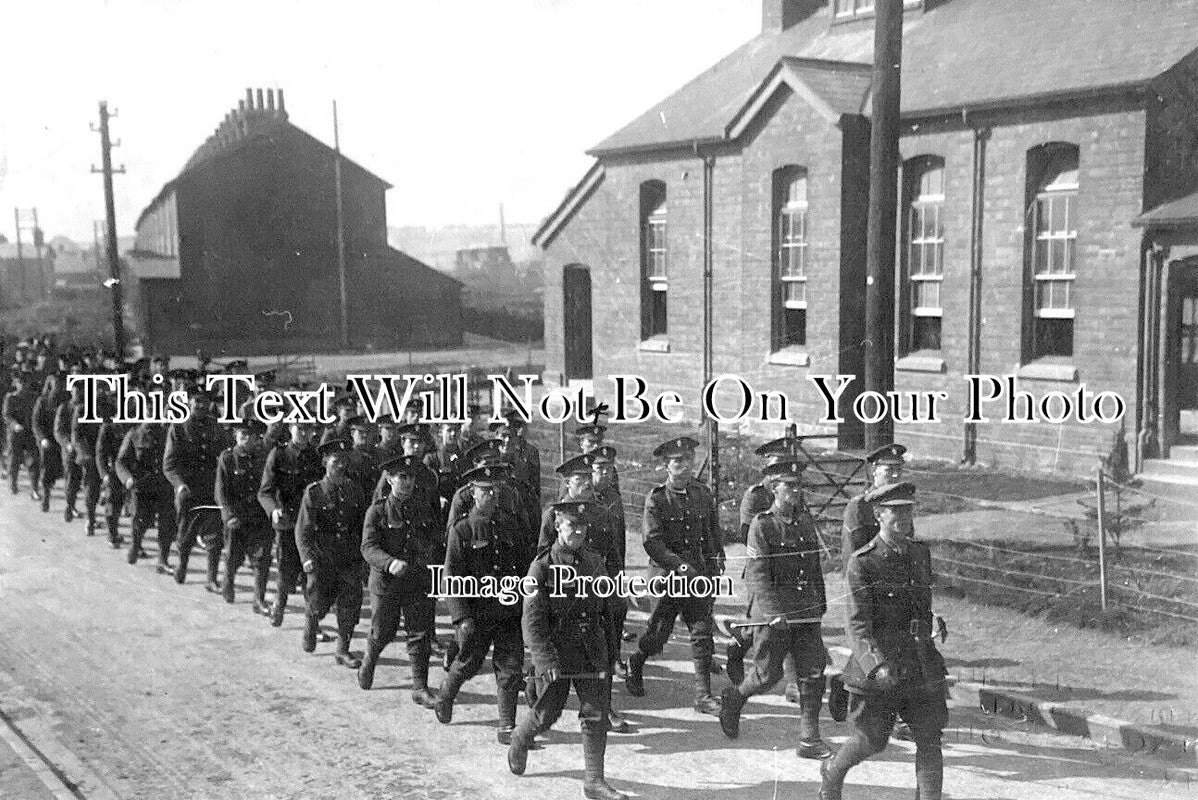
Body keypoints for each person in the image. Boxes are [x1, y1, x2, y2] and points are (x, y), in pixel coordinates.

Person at [820, 482, 948, 800]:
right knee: (873, 739)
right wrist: (876, 666)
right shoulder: (863, 563)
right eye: (895, 511)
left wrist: (933, 621)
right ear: (878, 515)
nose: (903, 518)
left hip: (919, 662)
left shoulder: (919, 553)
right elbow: (858, 625)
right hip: (883, 667)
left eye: (908, 510)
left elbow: (921, 605)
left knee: (929, 737)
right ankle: (833, 772)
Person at [507, 500, 628, 800]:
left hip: (591, 650)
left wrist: (612, 653)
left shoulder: (595, 561)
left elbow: (605, 611)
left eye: (583, 528)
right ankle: (520, 738)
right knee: (547, 713)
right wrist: (544, 658)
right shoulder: (542, 567)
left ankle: (594, 781)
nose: (578, 533)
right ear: (558, 526)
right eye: (572, 527)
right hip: (558, 654)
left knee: (595, 713)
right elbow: (532, 620)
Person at [718, 459, 832, 759]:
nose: (794, 491)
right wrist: (772, 613)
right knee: (767, 676)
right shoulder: (763, 524)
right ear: (773, 488)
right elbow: (757, 574)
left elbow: (814, 567)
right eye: (788, 485)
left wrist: (819, 602)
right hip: (775, 612)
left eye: (798, 485)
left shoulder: (806, 521)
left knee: (813, 673)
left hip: (805, 610)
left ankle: (809, 738)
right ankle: (735, 697)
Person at [625, 436, 726, 716]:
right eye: (677, 461)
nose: (684, 465)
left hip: (698, 575)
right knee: (659, 634)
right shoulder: (656, 498)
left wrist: (717, 557)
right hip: (667, 576)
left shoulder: (702, 494)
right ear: (666, 466)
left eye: (688, 459)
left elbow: (712, 531)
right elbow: (652, 542)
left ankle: (703, 695)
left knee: (702, 631)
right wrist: (680, 566)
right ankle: (637, 661)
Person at [432, 463, 529, 744]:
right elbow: (452, 577)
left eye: (495, 491)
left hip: (508, 610)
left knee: (510, 667)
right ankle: (446, 695)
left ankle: (507, 725)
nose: (492, 496)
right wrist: (461, 618)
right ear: (473, 493)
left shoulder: (511, 525)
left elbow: (523, 567)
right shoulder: (462, 530)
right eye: (485, 491)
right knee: (467, 663)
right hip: (477, 612)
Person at [357, 454, 441, 707]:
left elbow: (435, 539)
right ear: (390, 480)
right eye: (401, 477)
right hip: (387, 583)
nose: (407, 482)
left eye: (411, 477)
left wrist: (431, 561)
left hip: (417, 580)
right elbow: (368, 547)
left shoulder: (424, 507)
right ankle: (370, 659)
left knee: (420, 633)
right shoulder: (378, 510)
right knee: (383, 631)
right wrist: (389, 562)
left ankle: (420, 687)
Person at [728, 435, 807, 703]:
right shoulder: (755, 496)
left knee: (787, 625)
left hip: (787, 571)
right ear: (767, 464)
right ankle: (738, 645)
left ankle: (794, 683)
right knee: (761, 622)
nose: (781, 465)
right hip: (759, 567)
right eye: (776, 461)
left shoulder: (794, 491)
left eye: (785, 461)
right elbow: (745, 533)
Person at [295, 438, 368, 668]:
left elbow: (360, 526)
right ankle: (311, 625)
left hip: (348, 557)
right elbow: (303, 530)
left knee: (350, 605)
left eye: (344, 461)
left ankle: (342, 650)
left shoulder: (354, 490)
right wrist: (307, 558)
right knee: (318, 603)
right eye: (336, 460)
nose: (340, 465)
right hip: (321, 557)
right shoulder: (314, 493)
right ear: (326, 461)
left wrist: (363, 558)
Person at [258, 418, 325, 627]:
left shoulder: (317, 457)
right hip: (287, 523)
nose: (304, 434)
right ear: (290, 429)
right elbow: (265, 491)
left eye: (308, 429)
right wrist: (273, 510)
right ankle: (279, 605)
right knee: (286, 571)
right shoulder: (278, 455)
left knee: (311, 574)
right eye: (299, 429)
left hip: (310, 525)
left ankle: (311, 624)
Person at [164, 390, 228, 589]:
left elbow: (225, 455)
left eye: (204, 402)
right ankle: (182, 565)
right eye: (196, 402)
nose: (200, 406)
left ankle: (211, 578)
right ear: (189, 403)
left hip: (210, 489)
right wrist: (179, 484)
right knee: (186, 533)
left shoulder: (216, 428)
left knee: (215, 536)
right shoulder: (178, 428)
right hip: (188, 490)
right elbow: (169, 464)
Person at [215, 419, 272, 613]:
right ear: (236, 436)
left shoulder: (264, 458)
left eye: (252, 436)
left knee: (262, 560)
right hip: (236, 519)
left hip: (258, 518)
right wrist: (228, 516)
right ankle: (228, 583)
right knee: (233, 557)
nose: (247, 439)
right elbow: (221, 492)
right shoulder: (228, 458)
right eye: (243, 435)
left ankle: (259, 599)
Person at [116, 393, 176, 571]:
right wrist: (127, 478)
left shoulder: (169, 434)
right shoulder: (134, 434)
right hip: (143, 487)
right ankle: (135, 545)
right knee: (141, 521)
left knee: (167, 523)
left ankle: (162, 560)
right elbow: (121, 461)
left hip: (164, 486)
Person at [32, 373, 67, 512]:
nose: (58, 387)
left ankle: (70, 504)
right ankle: (46, 497)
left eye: (60, 385)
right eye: (55, 385)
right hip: (47, 440)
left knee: (67, 471)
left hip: (61, 439)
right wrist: (42, 439)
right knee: (47, 470)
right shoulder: (42, 401)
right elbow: (36, 422)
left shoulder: (65, 400)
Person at [4, 370, 39, 497]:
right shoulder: (11, 398)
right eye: (20, 383)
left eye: (25, 383)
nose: (23, 385)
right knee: (14, 460)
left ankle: (34, 489)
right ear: (16, 384)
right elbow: (7, 416)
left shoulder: (34, 398)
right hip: (16, 434)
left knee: (34, 461)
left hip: (30, 434)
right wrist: (15, 425)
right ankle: (13, 483)